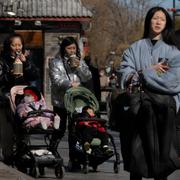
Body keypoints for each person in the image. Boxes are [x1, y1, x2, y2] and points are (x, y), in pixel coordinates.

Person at [117, 7, 180, 180]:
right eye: (155, 18)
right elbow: (124, 73)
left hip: (163, 112)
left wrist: (143, 74)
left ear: (166, 23)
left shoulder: (173, 52)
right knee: (137, 154)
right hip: (138, 109)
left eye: (162, 19)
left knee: (161, 156)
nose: (158, 22)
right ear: (148, 21)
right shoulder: (134, 48)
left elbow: (173, 82)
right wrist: (149, 71)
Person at [49, 36, 92, 167]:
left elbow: (87, 77)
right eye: (69, 48)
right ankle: (51, 152)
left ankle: (75, 158)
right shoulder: (56, 62)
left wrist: (79, 67)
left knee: (75, 130)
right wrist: (69, 84)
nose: (72, 51)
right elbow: (56, 80)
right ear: (63, 49)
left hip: (75, 101)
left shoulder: (80, 61)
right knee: (59, 129)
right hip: (60, 100)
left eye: (74, 48)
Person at [0, 33, 40, 165]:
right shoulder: (3, 60)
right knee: (8, 132)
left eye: (19, 44)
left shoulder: (26, 59)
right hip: (6, 100)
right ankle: (8, 157)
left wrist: (26, 63)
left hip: (23, 101)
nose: (17, 47)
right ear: (8, 46)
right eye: (14, 45)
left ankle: (22, 155)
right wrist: (11, 73)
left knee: (24, 128)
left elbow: (35, 75)